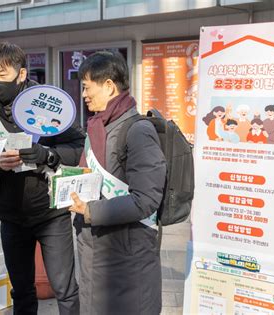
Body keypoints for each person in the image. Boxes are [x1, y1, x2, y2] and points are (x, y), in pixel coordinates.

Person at [0, 42, 83, 315]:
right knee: (20, 289)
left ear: (21, 75)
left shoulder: (50, 106)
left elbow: (79, 148)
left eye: (2, 75)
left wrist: (47, 154)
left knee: (65, 288)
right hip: (11, 216)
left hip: (51, 213)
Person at [68, 51, 167, 314]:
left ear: (109, 86)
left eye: (87, 87)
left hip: (127, 252)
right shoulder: (97, 127)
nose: (84, 94)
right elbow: (87, 173)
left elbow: (146, 199)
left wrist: (91, 211)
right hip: (97, 246)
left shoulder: (138, 131)